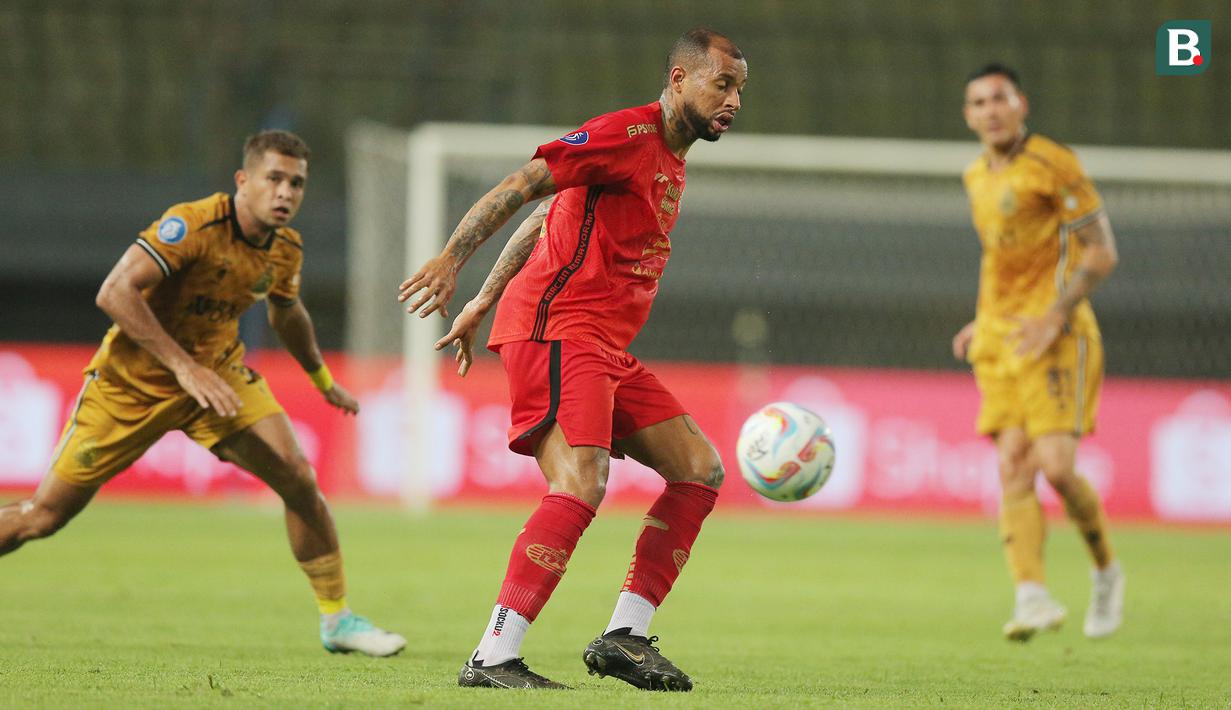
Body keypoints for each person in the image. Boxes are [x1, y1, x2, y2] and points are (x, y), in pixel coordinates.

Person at [399, 28, 747, 690]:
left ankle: (626, 635)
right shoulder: (626, 134)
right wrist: (452, 258)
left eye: (739, 90)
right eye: (720, 84)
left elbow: (550, 218)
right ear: (678, 79)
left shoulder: (670, 160)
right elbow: (526, 183)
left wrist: (484, 296)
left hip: (602, 346)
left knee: (699, 471)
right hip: (560, 331)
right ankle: (494, 656)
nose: (732, 100)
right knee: (581, 481)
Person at [0, 130, 405, 657]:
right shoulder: (192, 224)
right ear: (244, 181)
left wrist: (323, 380)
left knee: (298, 477)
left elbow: (287, 313)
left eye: (297, 183)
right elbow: (114, 292)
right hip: (131, 386)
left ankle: (337, 620)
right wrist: (182, 367)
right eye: (274, 179)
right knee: (43, 517)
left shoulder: (284, 249)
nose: (286, 192)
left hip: (218, 379)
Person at [953, 64, 1124, 642]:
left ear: (1021, 104)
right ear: (968, 115)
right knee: (1012, 466)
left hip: (1057, 333)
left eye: (1000, 98)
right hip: (1000, 338)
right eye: (979, 102)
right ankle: (1031, 596)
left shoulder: (1054, 164)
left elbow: (1101, 253)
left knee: (1056, 469)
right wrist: (982, 318)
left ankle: (1105, 570)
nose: (991, 110)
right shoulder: (974, 175)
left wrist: (1055, 316)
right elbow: (998, 259)